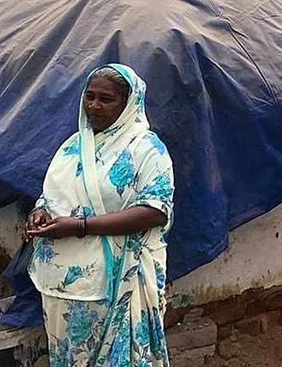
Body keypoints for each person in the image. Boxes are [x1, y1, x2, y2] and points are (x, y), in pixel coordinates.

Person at [26, 64, 175, 367]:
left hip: (117, 281)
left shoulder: (147, 150)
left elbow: (155, 211)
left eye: (106, 99)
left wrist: (80, 227)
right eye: (89, 96)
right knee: (69, 357)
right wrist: (40, 212)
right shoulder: (73, 147)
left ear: (129, 102)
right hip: (61, 284)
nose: (94, 105)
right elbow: (53, 195)